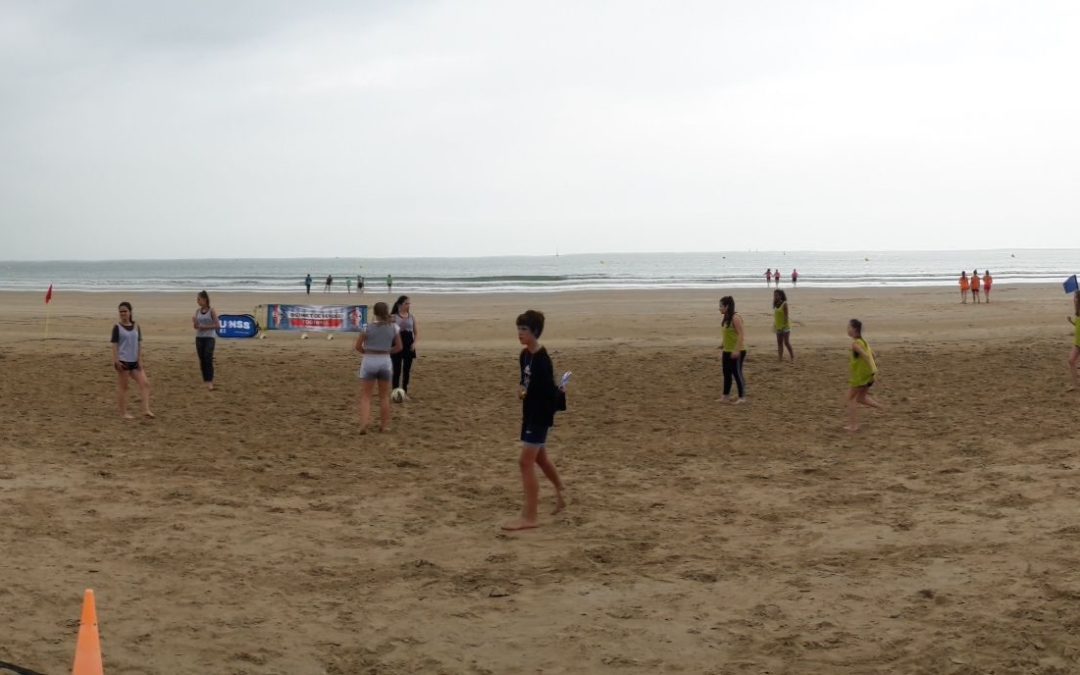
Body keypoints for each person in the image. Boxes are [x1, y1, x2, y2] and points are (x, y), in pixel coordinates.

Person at [504, 309, 566, 531]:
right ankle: (561, 490)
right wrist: (522, 391)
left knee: (525, 462)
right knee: (540, 458)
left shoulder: (542, 360)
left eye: (524, 330)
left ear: (535, 332)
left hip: (540, 415)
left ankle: (530, 517)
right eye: (519, 329)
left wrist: (555, 400)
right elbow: (525, 382)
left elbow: (550, 393)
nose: (520, 334)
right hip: (529, 413)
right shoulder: (525, 355)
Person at [354, 301, 403, 433]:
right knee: (384, 396)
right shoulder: (393, 327)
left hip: (370, 360)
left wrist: (368, 351)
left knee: (366, 396)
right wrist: (387, 351)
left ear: (374, 313)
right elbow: (399, 347)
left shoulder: (367, 327)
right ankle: (385, 426)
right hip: (385, 361)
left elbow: (358, 347)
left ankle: (364, 424)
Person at [111, 301, 153, 419]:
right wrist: (116, 360)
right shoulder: (117, 327)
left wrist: (140, 359)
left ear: (130, 312)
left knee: (145, 384)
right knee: (124, 387)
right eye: (121, 312)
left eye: (125, 311)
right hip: (123, 362)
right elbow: (114, 345)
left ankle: (146, 410)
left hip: (134, 362)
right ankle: (123, 413)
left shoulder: (136, 326)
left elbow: (139, 344)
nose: (123, 313)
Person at [846, 318, 882, 432]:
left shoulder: (855, 344)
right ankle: (880, 407)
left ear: (855, 330)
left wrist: (873, 370)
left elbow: (866, 356)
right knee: (861, 398)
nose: (847, 329)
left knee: (851, 399)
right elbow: (874, 355)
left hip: (860, 377)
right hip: (868, 376)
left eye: (849, 327)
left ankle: (853, 426)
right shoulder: (864, 342)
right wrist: (873, 371)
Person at [719, 295, 747, 403]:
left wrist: (737, 350)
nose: (719, 308)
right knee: (726, 373)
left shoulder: (735, 317)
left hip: (737, 350)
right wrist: (722, 343)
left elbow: (741, 334)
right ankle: (725, 396)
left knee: (737, 373)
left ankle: (742, 397)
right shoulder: (726, 317)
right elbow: (728, 333)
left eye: (721, 306)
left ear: (727, 306)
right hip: (727, 350)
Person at [391, 295, 419, 396]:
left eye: (409, 303)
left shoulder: (412, 317)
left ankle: (404, 392)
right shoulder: (393, 317)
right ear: (399, 304)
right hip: (396, 345)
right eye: (406, 303)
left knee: (406, 371)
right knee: (396, 370)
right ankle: (395, 392)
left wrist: (414, 344)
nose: (408, 305)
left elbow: (416, 333)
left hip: (408, 346)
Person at [192, 290, 220, 391]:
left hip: (209, 338)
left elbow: (217, 325)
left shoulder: (211, 311)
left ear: (204, 299)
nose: (197, 301)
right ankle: (205, 381)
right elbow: (196, 327)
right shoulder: (197, 311)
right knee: (202, 360)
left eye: (199, 299)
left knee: (208, 358)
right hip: (199, 338)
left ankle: (210, 382)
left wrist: (205, 327)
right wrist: (195, 322)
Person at [773, 289, 794, 361]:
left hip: (785, 326)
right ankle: (780, 358)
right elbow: (776, 316)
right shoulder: (775, 303)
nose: (775, 296)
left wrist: (783, 326)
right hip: (778, 326)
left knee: (786, 342)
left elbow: (786, 317)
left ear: (781, 295)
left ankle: (792, 357)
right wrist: (775, 324)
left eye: (777, 295)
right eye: (774, 295)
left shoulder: (784, 304)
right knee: (779, 343)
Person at [1068, 292, 1080, 391]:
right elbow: (1077, 325)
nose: (1074, 300)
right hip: (1077, 343)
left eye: (1075, 298)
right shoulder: (1078, 312)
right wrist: (1071, 321)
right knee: (1071, 361)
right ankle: (1075, 385)